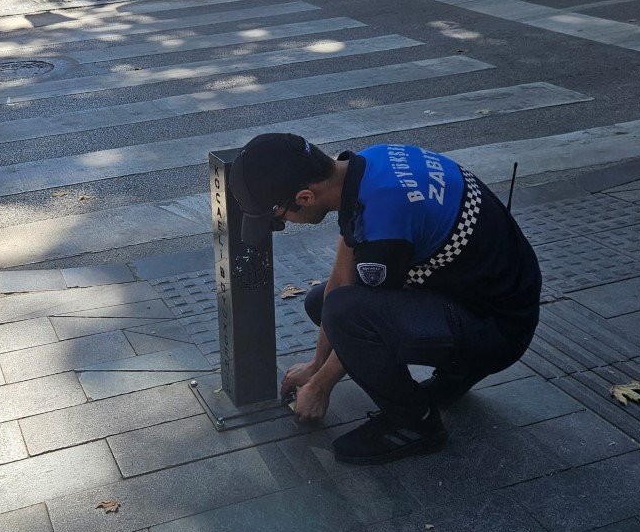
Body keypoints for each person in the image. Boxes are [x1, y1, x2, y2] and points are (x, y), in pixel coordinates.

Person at [229, 134, 542, 464]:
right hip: (482, 296)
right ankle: (456, 373)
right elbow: (340, 281)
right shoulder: (367, 166)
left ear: (305, 197)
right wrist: (314, 366)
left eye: (279, 218)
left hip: (499, 329)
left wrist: (321, 387)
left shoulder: (384, 220)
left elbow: (354, 318)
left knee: (345, 315)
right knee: (322, 302)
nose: (284, 225)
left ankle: (417, 424)